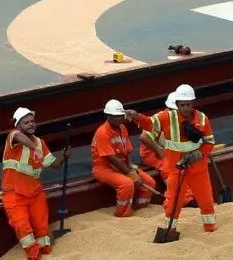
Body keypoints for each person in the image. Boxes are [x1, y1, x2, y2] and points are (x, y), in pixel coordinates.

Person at [153, 85, 217, 232]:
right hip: (173, 165)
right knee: (173, 200)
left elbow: (208, 142)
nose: (185, 109)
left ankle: (209, 226)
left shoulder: (201, 118)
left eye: (188, 105)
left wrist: (199, 153)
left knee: (205, 199)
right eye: (182, 105)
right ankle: (170, 228)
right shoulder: (164, 120)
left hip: (193, 166)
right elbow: (148, 136)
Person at [1, 106, 59, 260]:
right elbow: (18, 136)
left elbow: (52, 163)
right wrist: (34, 149)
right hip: (14, 193)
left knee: (42, 227)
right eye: (26, 122)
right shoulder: (13, 136)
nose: (31, 124)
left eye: (32, 121)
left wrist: (64, 156)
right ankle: (33, 254)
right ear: (18, 125)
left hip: (35, 193)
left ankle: (45, 249)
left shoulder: (40, 143)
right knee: (22, 227)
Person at [91, 99, 161, 216]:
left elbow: (127, 151)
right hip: (104, 168)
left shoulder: (122, 128)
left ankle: (140, 209)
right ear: (108, 116)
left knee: (149, 182)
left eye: (120, 115)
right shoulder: (102, 132)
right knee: (126, 184)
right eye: (115, 116)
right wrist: (130, 174)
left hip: (122, 165)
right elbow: (111, 158)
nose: (118, 118)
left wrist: (131, 168)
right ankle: (122, 214)